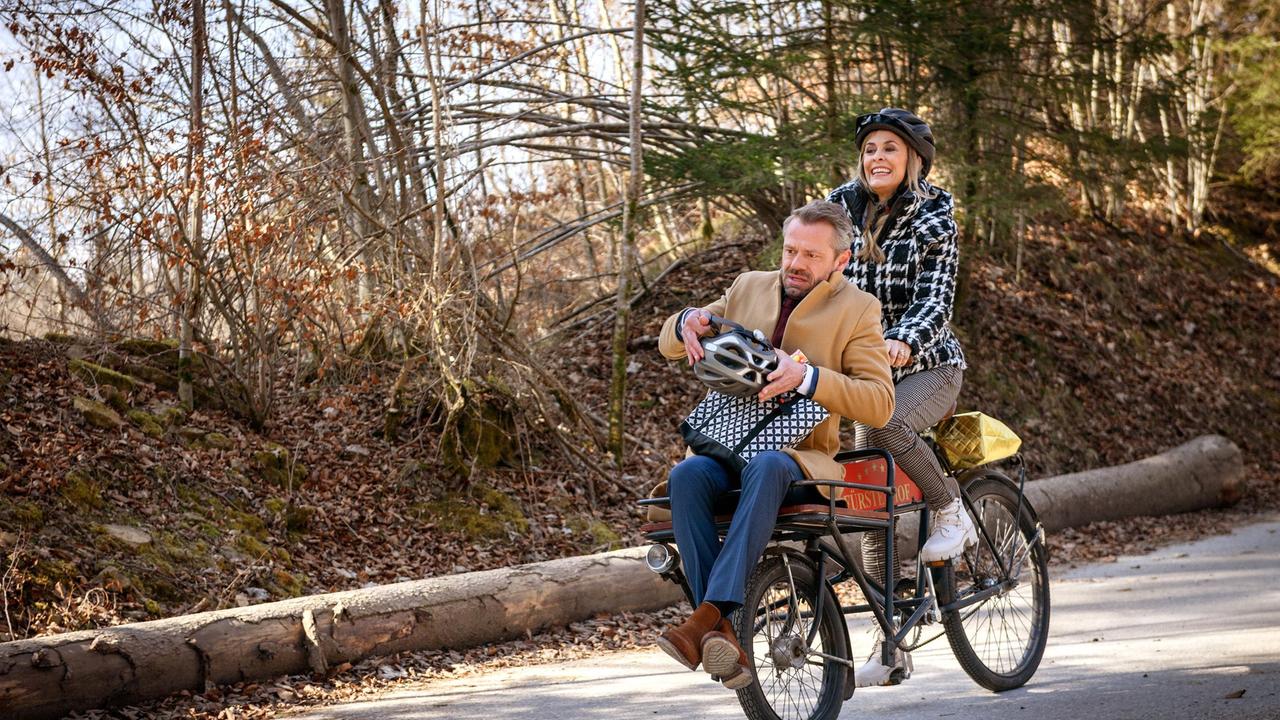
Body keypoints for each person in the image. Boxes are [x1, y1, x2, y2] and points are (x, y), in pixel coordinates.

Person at [653, 200, 895, 690]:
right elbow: (672, 341)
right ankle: (720, 630)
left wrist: (807, 376)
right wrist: (685, 323)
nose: (795, 263)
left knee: (766, 465)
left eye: (810, 254)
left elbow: (880, 403)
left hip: (801, 459)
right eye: (789, 250)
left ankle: (703, 622)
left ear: (839, 261)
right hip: (728, 445)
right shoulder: (747, 286)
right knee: (686, 475)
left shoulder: (858, 309)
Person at [826, 107, 973, 687]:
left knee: (884, 427)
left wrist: (903, 340)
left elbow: (937, 298)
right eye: (869, 150)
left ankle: (949, 506)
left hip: (928, 366)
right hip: (863, 373)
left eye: (890, 148)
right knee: (867, 489)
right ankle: (893, 640)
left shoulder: (936, 212)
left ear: (914, 158)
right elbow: (813, 274)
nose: (877, 158)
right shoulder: (840, 210)